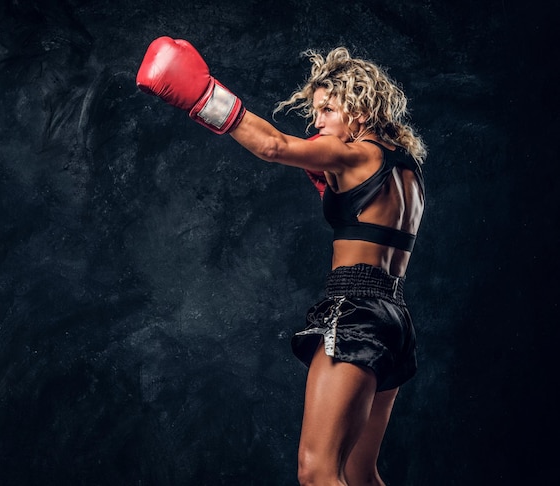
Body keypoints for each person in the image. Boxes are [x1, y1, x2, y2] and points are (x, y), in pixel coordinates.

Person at [136, 36, 426, 486]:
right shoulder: (406, 169)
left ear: (361, 108)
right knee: (359, 473)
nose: (317, 122)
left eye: (327, 109)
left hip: (355, 310)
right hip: (394, 319)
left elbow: (272, 146)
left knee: (317, 473)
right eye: (315, 112)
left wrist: (203, 95)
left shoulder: (352, 153)